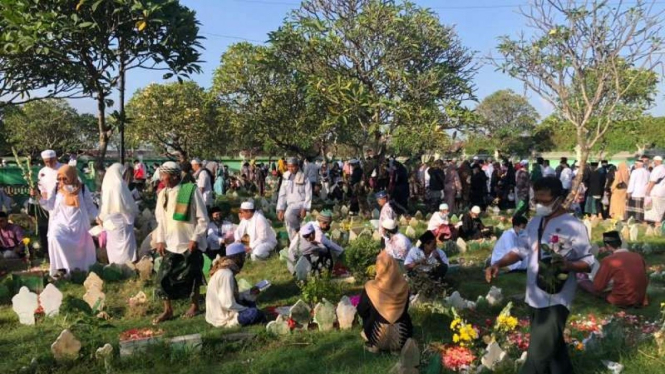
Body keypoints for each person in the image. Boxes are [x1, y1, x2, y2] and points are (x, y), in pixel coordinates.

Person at [486, 176, 594, 374]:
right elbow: (520, 250)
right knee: (554, 350)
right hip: (534, 295)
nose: (540, 205)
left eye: (545, 201)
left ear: (559, 199)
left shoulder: (574, 226)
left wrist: (568, 264)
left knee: (537, 357)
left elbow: (588, 262)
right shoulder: (534, 222)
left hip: (557, 298)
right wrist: (498, 264)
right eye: (537, 200)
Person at [153, 161, 209, 324]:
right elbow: (161, 220)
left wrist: (195, 238)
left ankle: (194, 305)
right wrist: (160, 240)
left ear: (175, 176)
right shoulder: (162, 194)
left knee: (192, 276)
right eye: (162, 175)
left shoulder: (190, 191)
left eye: (165, 175)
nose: (163, 178)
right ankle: (168, 310)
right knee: (163, 277)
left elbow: (203, 219)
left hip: (189, 241)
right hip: (170, 242)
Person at [36, 165, 98, 278]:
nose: (62, 181)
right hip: (60, 224)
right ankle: (63, 269)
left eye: (65, 178)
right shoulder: (56, 189)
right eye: (59, 179)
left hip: (78, 224)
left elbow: (90, 206)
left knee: (82, 246)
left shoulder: (82, 188)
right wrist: (39, 198)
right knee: (54, 238)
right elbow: (50, 205)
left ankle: (80, 270)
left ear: (72, 176)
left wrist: (98, 217)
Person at [357, 251, 413, 353]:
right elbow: (405, 309)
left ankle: (375, 346)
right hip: (402, 336)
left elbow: (362, 311)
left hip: (376, 335)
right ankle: (395, 349)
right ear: (394, 267)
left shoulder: (370, 287)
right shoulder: (404, 286)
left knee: (367, 315)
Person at [577, 231, 648, 308]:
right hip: (640, 298)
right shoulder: (638, 256)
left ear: (607, 245)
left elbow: (598, 287)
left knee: (583, 280)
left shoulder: (609, 260)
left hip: (621, 299)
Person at [205, 243, 266, 328]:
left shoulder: (226, 271)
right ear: (237, 257)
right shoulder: (226, 274)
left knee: (250, 301)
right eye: (243, 256)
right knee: (255, 313)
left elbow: (231, 296)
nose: (244, 260)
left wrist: (249, 292)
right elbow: (227, 304)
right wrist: (247, 309)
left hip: (221, 312)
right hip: (221, 319)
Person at [98, 163, 138, 265]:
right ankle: (127, 266)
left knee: (113, 245)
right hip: (121, 220)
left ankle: (115, 265)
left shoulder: (107, 185)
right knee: (125, 245)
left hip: (109, 221)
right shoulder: (119, 184)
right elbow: (127, 205)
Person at [276, 157, 312, 240]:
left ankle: (297, 228)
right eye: (289, 166)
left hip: (301, 203)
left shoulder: (304, 177)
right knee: (288, 224)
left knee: (288, 214)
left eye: (293, 166)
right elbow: (282, 194)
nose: (291, 169)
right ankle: (294, 244)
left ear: (297, 166)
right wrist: (280, 209)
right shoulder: (286, 177)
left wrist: (305, 208)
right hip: (290, 204)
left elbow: (309, 193)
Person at [645, 155, 665, 227]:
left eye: (654, 161)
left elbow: (653, 181)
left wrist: (648, 191)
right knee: (661, 209)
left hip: (656, 191)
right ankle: (659, 223)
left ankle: (657, 225)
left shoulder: (657, 169)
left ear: (657, 161)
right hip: (663, 192)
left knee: (654, 209)